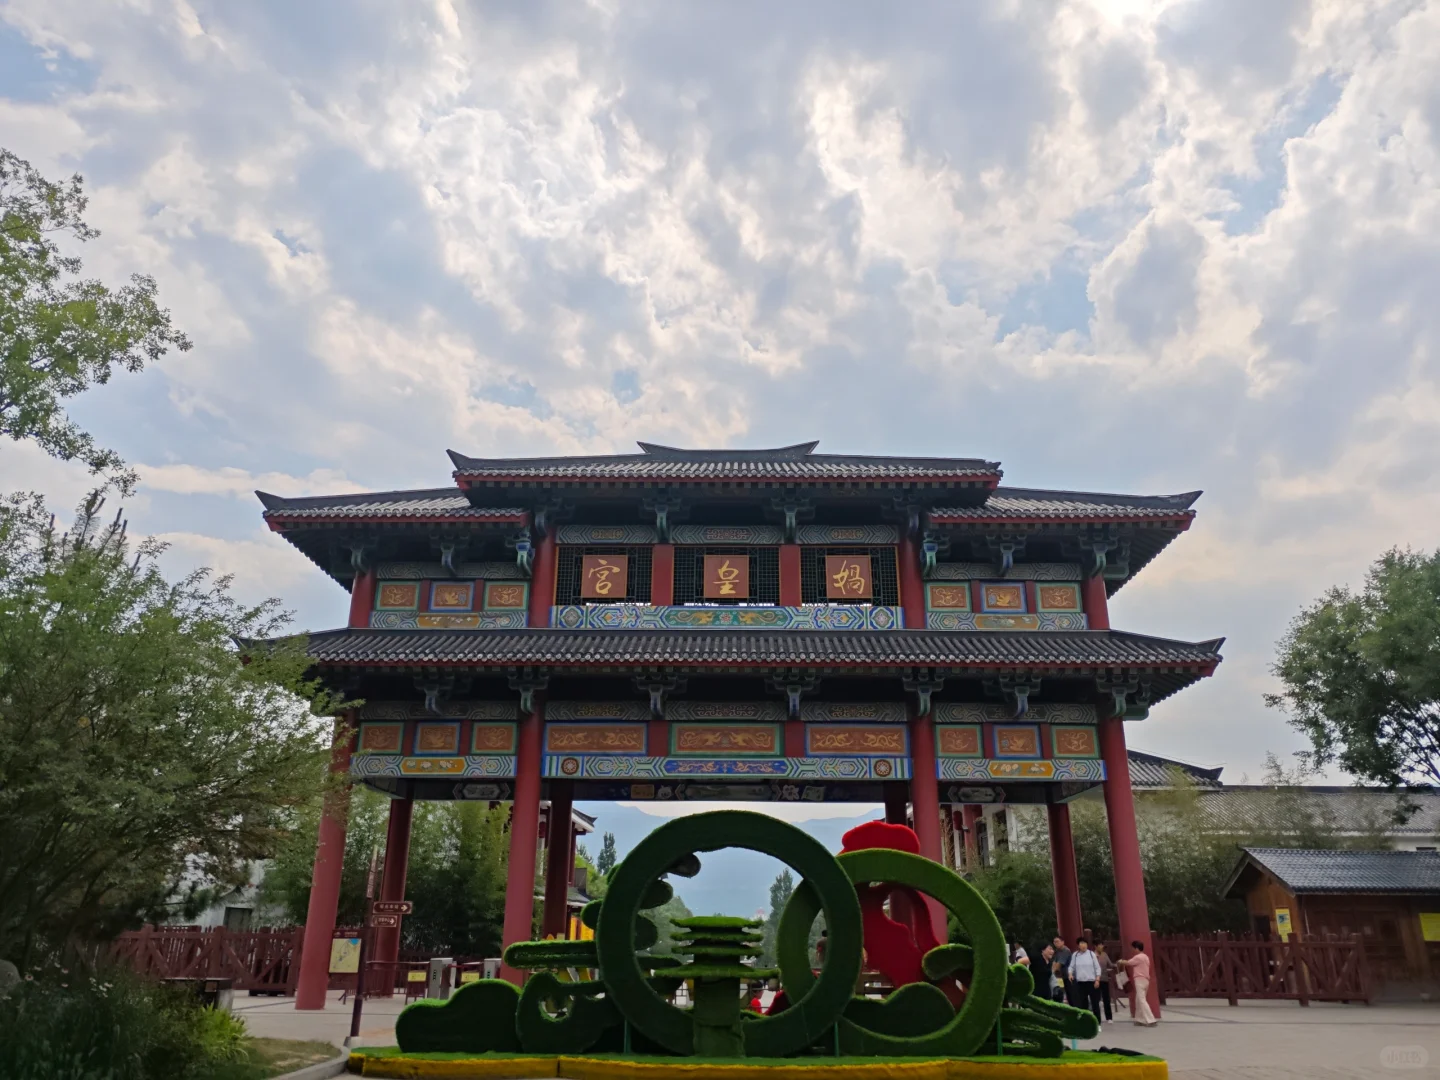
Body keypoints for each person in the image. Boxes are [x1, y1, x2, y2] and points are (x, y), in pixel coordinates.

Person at [1118, 940, 1159, 1027]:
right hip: (1146, 980)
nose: (1132, 950)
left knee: (1142, 1000)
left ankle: (1151, 1020)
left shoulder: (1138, 957)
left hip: (1139, 980)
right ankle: (1139, 1019)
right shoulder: (1146, 957)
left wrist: (1120, 961)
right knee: (1138, 1000)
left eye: (1133, 948)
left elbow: (1128, 963)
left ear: (1136, 948)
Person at [1067, 937, 1103, 1024]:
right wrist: (1070, 974)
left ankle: (1098, 1023)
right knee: (1083, 1004)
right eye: (1081, 943)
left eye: (1085, 943)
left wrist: (1097, 979)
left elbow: (1097, 967)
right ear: (1078, 945)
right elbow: (1071, 966)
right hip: (1080, 983)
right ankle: (1085, 1023)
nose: (1083, 945)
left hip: (1092, 982)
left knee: (1095, 1004)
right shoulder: (1075, 955)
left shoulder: (1091, 954)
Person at [1094, 943, 1116, 1023]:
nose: (1101, 947)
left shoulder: (1104, 954)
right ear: (1095, 946)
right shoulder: (1092, 955)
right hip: (1095, 980)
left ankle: (1109, 1017)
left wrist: (1117, 965)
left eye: (1102, 946)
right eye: (1100, 945)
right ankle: (1096, 1017)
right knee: (1096, 999)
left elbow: (1110, 964)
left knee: (1106, 998)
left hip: (1104, 979)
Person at [1051, 936, 1073, 1005]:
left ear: (1062, 942)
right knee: (1061, 993)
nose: (1055, 943)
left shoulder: (1065, 951)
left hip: (1067, 977)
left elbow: (1058, 965)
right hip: (1060, 977)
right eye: (1054, 942)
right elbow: (1054, 963)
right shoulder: (1057, 951)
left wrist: (1051, 973)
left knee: (1070, 995)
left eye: (1057, 941)